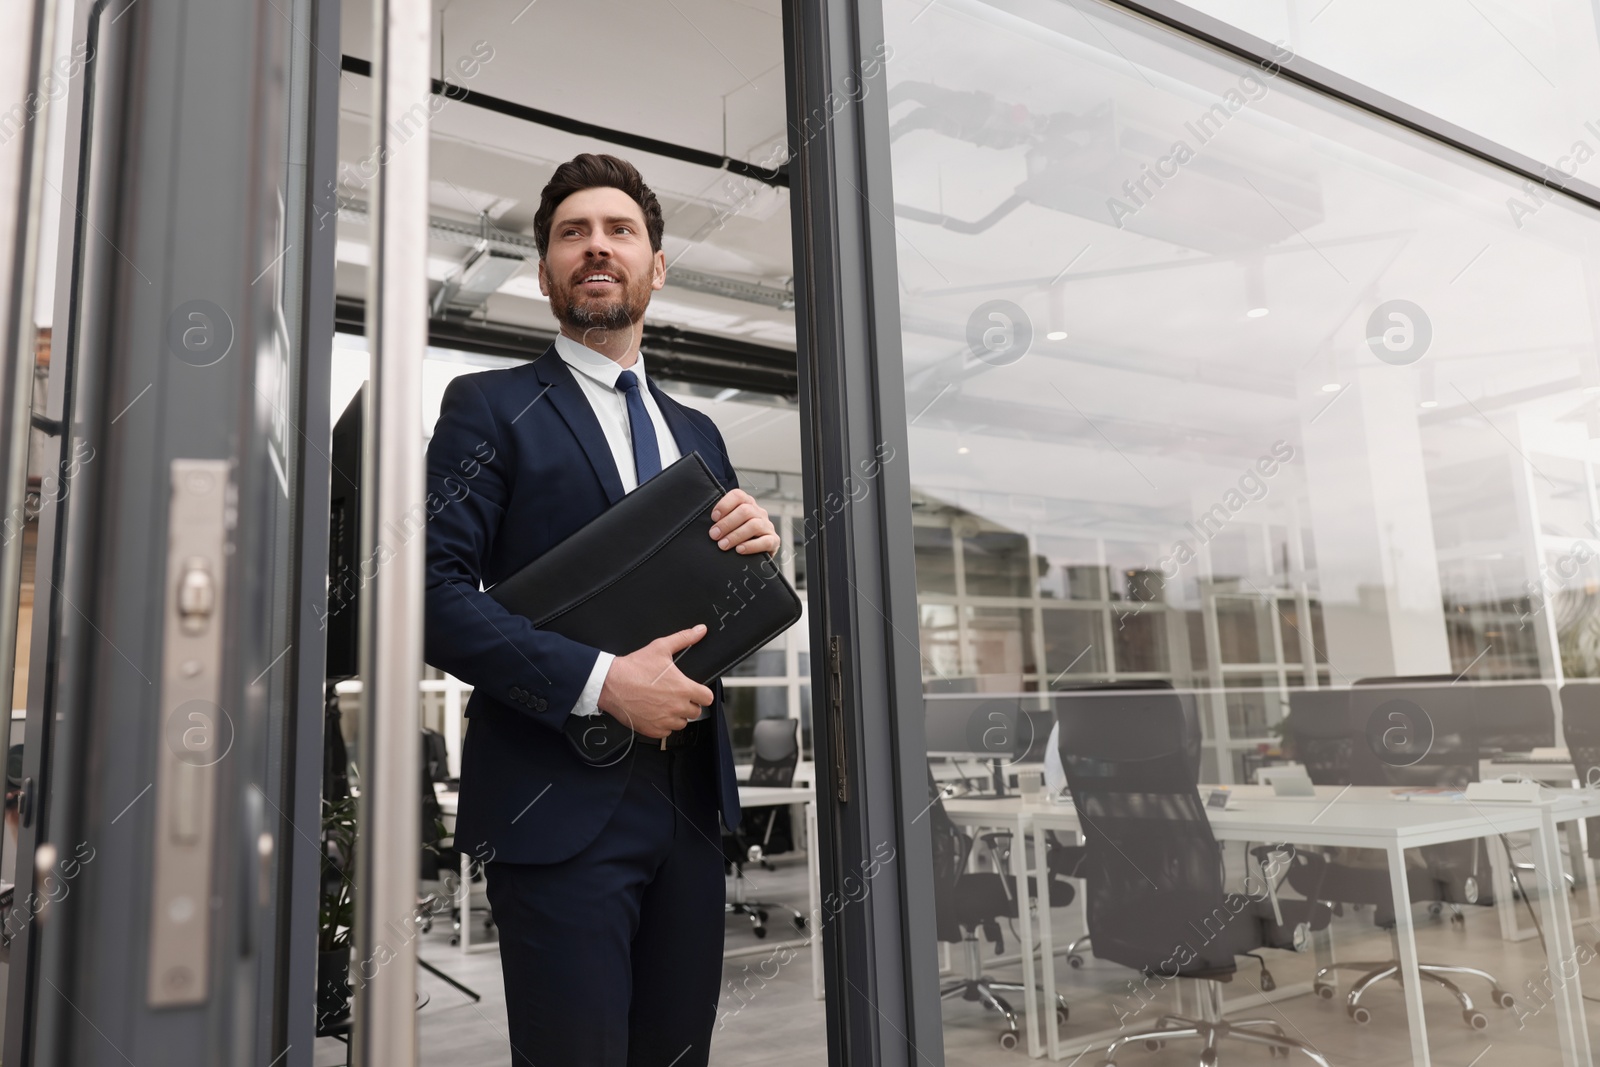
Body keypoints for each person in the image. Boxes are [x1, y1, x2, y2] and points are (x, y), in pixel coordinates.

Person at [423, 152, 780, 1067]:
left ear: (656, 266)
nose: (597, 247)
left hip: (691, 802)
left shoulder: (698, 434)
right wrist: (603, 683)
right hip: (556, 799)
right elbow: (429, 593)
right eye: (572, 233)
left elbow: (706, 612)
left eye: (620, 231)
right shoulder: (488, 408)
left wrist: (757, 556)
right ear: (544, 271)